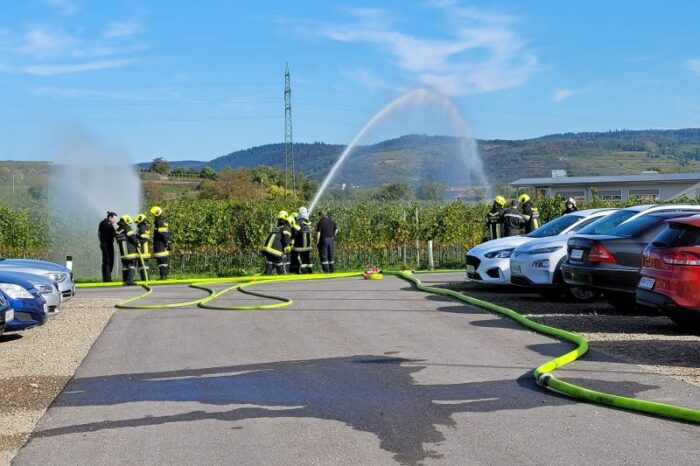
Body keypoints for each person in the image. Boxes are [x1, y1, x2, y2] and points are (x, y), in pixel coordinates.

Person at [261, 210, 293, 275]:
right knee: (280, 264)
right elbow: (286, 240)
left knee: (270, 264)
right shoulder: (286, 227)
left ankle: (265, 278)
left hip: (267, 249)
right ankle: (283, 279)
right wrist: (289, 247)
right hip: (276, 250)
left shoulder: (277, 228)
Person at [115, 214, 139, 285]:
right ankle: (130, 280)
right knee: (132, 264)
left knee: (125, 266)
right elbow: (132, 237)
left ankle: (125, 280)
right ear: (126, 220)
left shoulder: (117, 230)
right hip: (130, 250)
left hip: (123, 252)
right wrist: (137, 242)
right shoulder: (127, 227)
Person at [150, 206, 172, 280]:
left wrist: (167, 243)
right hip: (158, 245)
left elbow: (164, 234)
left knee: (162, 261)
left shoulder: (160, 222)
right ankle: (162, 275)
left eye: (153, 214)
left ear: (156, 214)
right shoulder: (158, 222)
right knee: (160, 261)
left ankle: (164, 276)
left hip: (161, 245)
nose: (152, 216)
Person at [292, 207, 313, 274]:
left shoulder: (299, 221)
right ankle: (310, 270)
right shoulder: (308, 221)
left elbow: (295, 231)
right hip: (308, 244)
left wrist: (292, 237)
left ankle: (303, 271)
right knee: (307, 257)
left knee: (300, 257)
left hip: (300, 243)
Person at [98, 211, 118, 282]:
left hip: (109, 244)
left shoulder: (110, 224)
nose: (115, 220)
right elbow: (109, 228)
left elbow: (114, 233)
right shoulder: (104, 223)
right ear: (110, 217)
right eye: (114, 219)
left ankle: (108, 277)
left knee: (111, 261)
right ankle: (106, 279)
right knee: (106, 261)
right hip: (105, 244)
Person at [134, 213, 152, 281]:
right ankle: (145, 278)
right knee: (143, 264)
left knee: (143, 264)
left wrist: (136, 238)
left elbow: (142, 236)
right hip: (144, 248)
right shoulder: (145, 225)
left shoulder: (142, 226)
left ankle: (145, 278)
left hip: (143, 248)